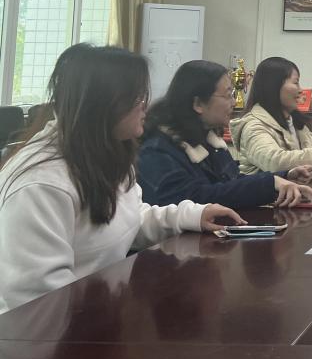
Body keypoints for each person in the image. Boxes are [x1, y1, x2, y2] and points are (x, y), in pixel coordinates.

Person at [0, 44, 243, 314]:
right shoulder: (41, 184)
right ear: (104, 104)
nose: (145, 107)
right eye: (137, 98)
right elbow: (39, 301)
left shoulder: (106, 152)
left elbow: (127, 219)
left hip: (97, 320)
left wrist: (192, 216)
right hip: (48, 334)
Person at [138, 60, 312, 210]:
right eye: (227, 95)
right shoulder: (158, 150)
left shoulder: (208, 140)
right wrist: (270, 183)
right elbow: (191, 199)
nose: (233, 102)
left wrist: (283, 177)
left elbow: (231, 181)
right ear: (198, 104)